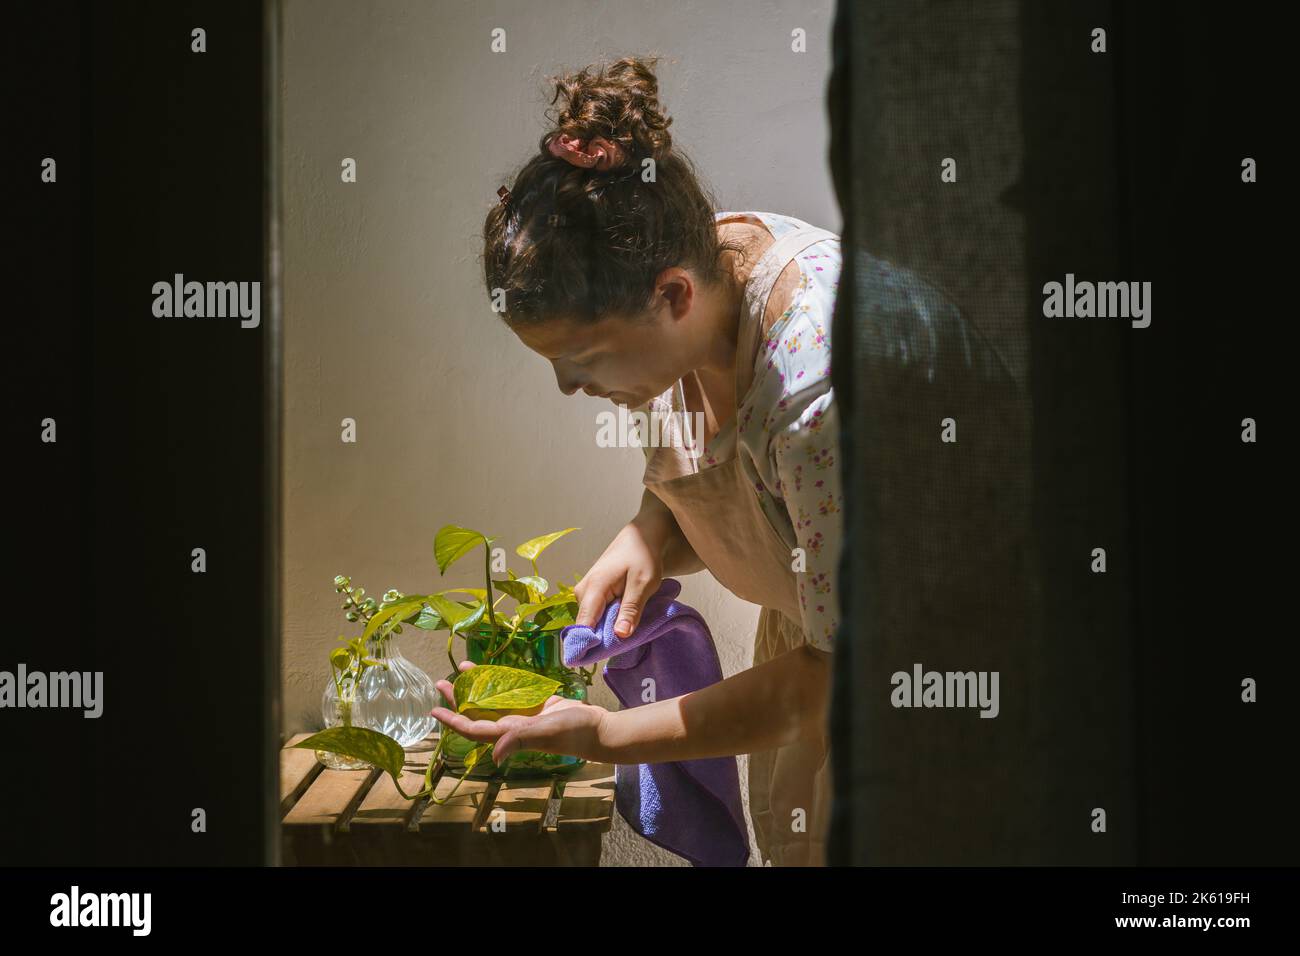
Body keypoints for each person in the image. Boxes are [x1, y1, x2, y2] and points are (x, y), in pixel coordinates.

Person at [435, 55, 845, 867]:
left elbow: (843, 680)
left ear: (673, 297)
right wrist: (651, 533)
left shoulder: (815, 390)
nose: (567, 388)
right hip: (806, 647)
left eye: (583, 357)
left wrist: (608, 735)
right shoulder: (694, 280)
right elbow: (748, 490)